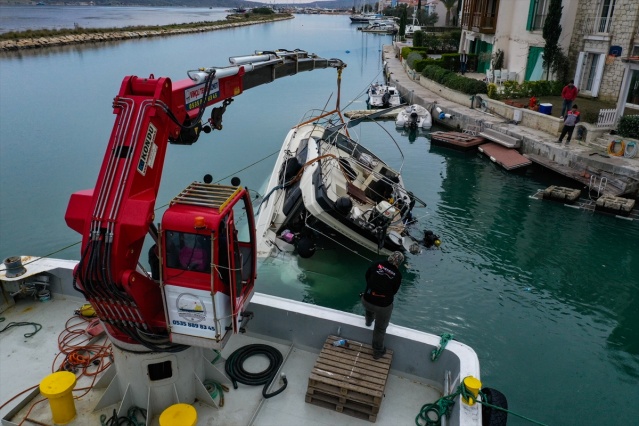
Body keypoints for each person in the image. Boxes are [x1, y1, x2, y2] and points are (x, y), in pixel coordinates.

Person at [361, 251, 404, 359]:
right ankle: (377, 351)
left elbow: (367, 276)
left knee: (370, 302)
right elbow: (394, 291)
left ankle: (368, 321)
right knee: (380, 329)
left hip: (366, 300)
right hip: (383, 306)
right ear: (399, 263)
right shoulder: (397, 275)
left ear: (389, 257)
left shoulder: (377, 264)